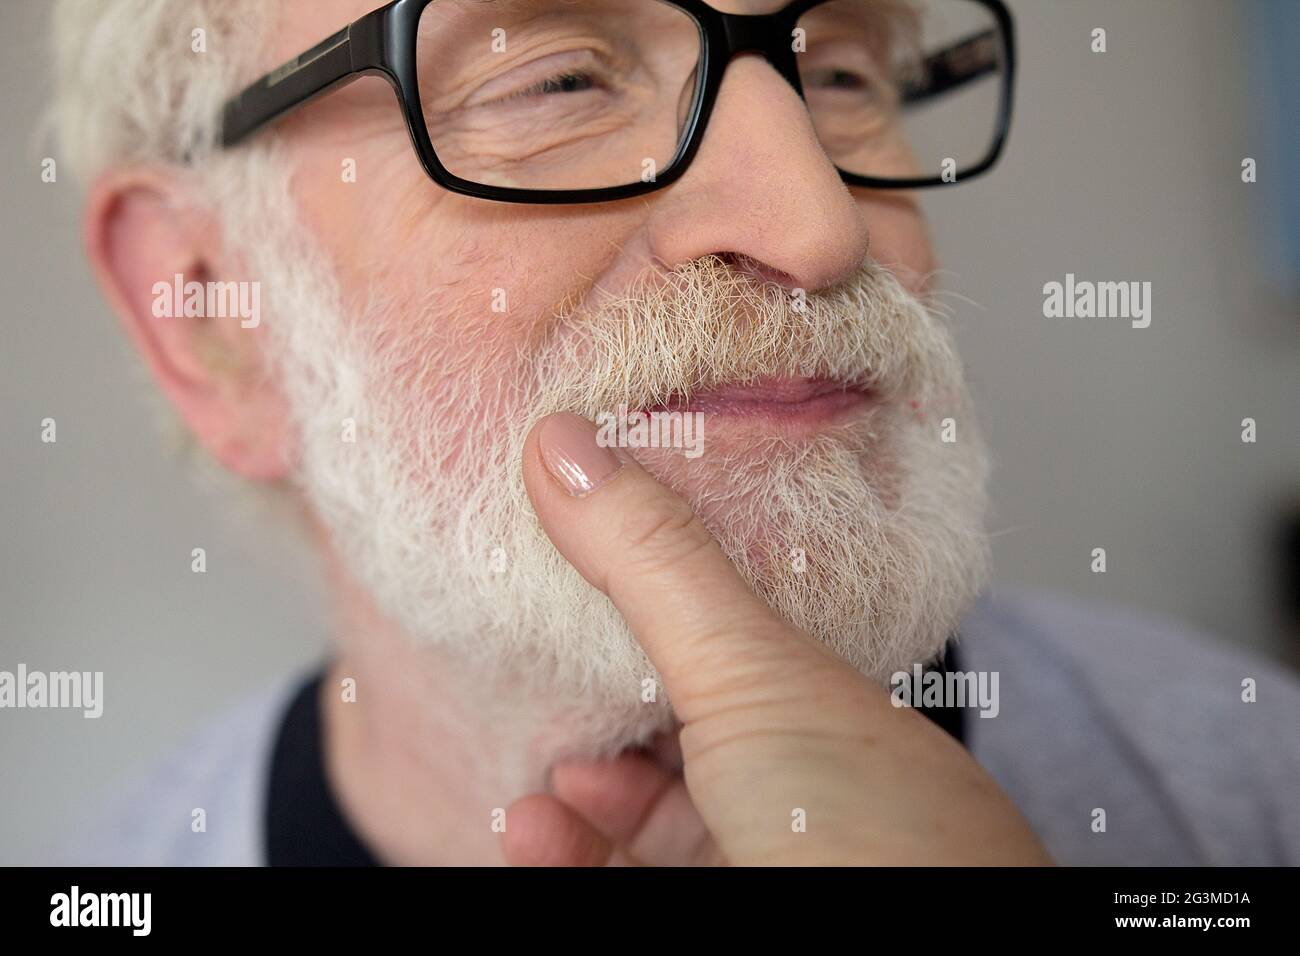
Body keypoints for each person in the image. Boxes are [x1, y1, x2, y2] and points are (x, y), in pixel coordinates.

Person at [52, 0, 1299, 866]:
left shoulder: (1256, 780)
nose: (818, 227)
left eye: (838, 77)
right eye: (558, 79)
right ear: (211, 312)